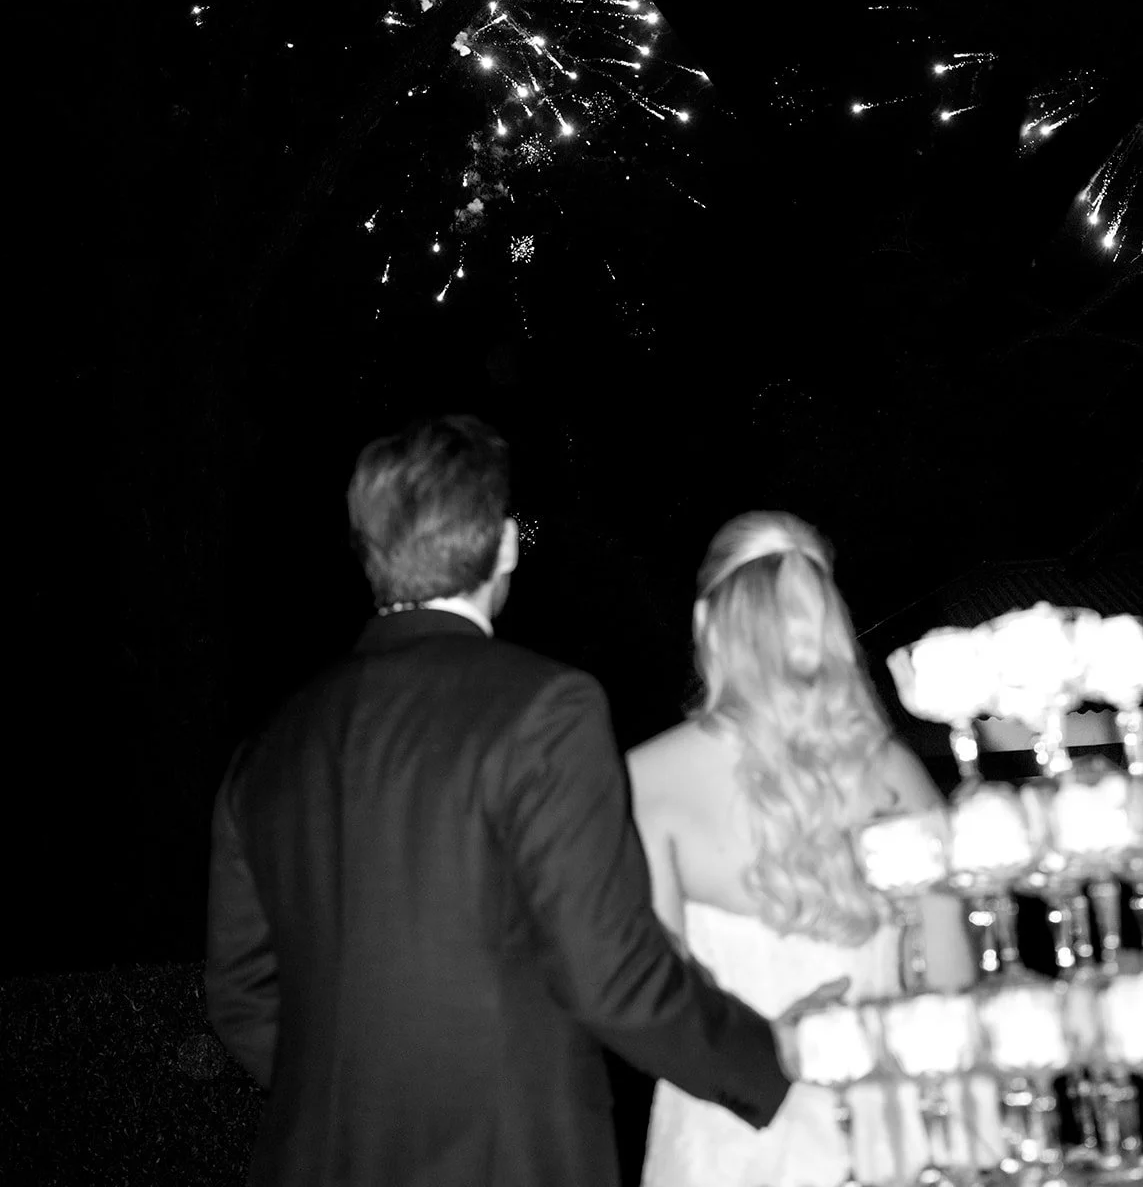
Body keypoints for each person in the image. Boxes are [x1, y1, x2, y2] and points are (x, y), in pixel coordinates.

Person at [205, 418, 844, 1187]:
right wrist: (771, 1057)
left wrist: (358, 1099)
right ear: (504, 545)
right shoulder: (544, 708)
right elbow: (607, 975)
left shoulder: (269, 749)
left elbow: (240, 992)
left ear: (368, 549)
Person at [629, 511, 1000, 1187]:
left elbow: (654, 1015)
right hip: (886, 1140)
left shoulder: (644, 782)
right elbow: (952, 994)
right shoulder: (902, 780)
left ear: (708, 626)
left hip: (726, 1139)